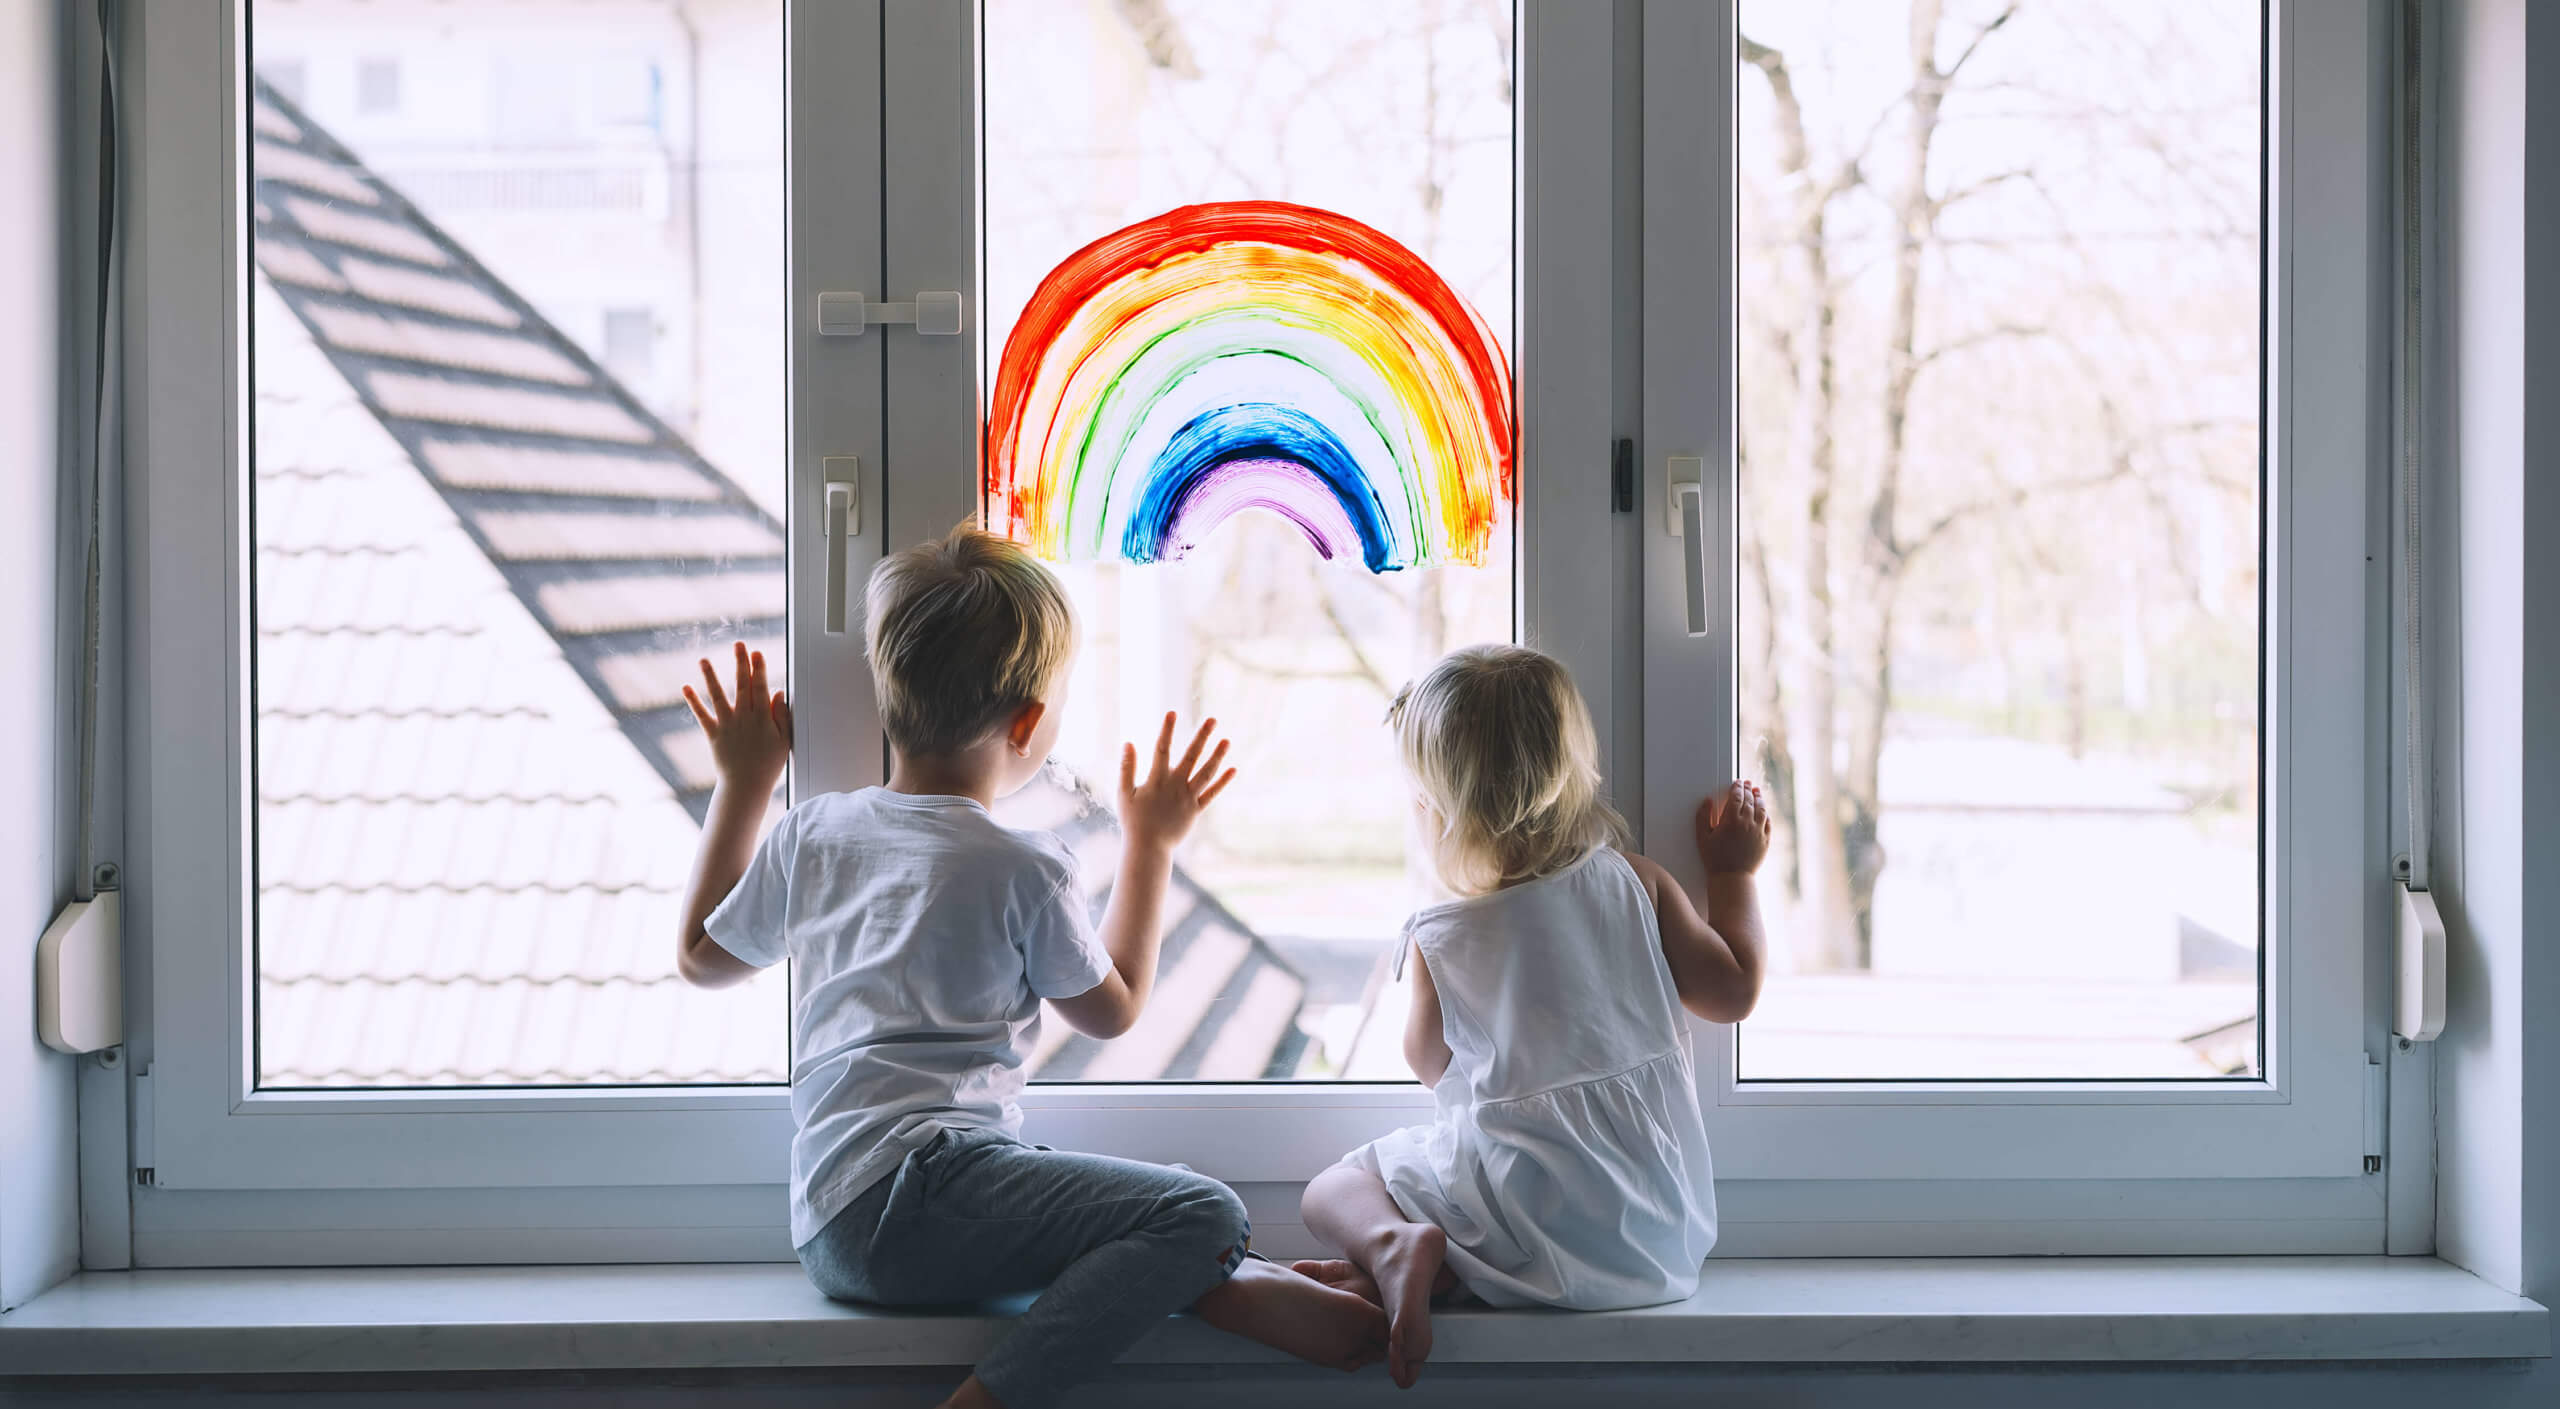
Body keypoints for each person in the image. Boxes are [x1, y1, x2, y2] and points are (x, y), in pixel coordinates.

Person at [672, 527, 1387, 1409]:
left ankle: (1243, 1289)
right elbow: (1113, 1008)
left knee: (1124, 1227)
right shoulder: (1022, 863)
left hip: (828, 1225)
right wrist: (1152, 843)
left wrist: (745, 779)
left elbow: (700, 957)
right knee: (1206, 1212)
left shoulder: (814, 831)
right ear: (1028, 723)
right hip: (927, 1193)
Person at [1295, 644, 1771, 1388]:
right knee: (1494, 1185)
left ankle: (1394, 1249)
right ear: (1574, 768)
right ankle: (1435, 1266)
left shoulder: (1440, 936)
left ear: (1435, 807)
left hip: (1521, 1220)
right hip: (1658, 1241)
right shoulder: (1634, 883)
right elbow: (1733, 988)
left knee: (1332, 1187)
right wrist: (1732, 875)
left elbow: (1429, 1064)